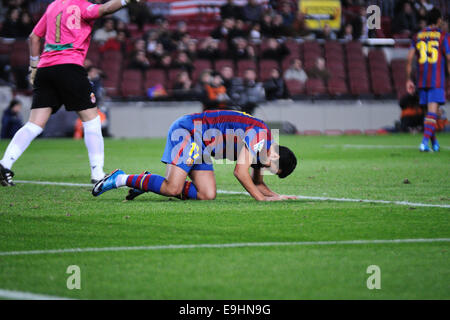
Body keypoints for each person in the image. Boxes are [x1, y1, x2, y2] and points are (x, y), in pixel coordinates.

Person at [0, 0, 140, 187]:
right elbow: (106, 8)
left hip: (45, 69)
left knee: (34, 124)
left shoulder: (53, 6)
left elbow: (33, 37)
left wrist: (33, 66)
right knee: (92, 120)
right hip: (69, 66)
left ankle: (4, 164)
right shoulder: (81, 6)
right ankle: (98, 174)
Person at [92, 110, 298, 201]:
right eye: (270, 168)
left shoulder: (264, 148)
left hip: (203, 145)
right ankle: (120, 178)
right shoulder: (260, 136)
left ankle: (145, 182)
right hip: (191, 131)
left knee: (207, 194)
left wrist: (276, 196)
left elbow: (258, 184)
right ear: (274, 157)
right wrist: (261, 200)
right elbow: (240, 172)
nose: (264, 170)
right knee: (172, 188)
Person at [406, 8, 450, 152]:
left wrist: (408, 80)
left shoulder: (417, 36)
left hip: (422, 80)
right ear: (438, 20)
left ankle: (435, 143)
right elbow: (449, 59)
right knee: (432, 113)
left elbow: (409, 59)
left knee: (428, 115)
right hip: (436, 80)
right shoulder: (443, 36)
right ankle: (424, 143)